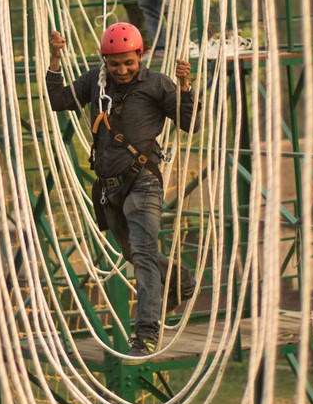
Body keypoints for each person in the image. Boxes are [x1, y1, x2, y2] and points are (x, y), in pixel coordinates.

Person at [46, 23, 199, 356]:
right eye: (114, 64)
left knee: (143, 254)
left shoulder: (156, 85)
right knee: (133, 254)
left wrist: (185, 87)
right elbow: (58, 100)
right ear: (105, 61)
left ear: (139, 56)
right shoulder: (94, 82)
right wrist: (55, 60)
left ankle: (145, 333)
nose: (122, 70)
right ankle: (180, 279)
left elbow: (191, 123)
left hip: (143, 181)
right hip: (109, 188)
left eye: (128, 62)